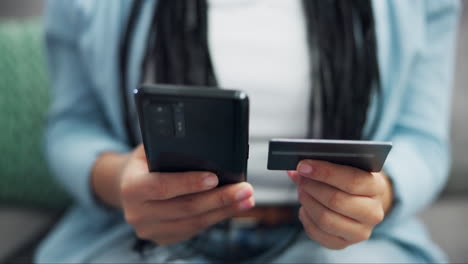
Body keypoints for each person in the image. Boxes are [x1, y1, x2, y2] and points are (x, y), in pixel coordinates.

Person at [36, 0, 460, 263]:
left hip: (341, 248)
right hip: (146, 240)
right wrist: (119, 182)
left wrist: (375, 195)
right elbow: (72, 126)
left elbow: (422, 141)